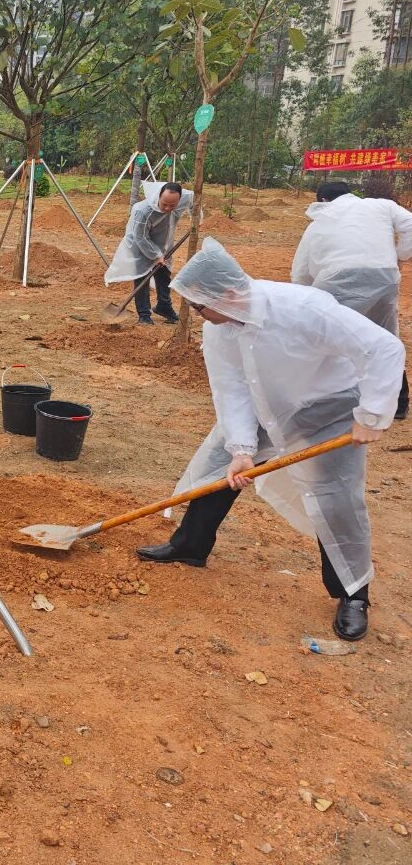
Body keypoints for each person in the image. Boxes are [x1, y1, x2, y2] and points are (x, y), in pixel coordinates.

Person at [136, 238, 404, 642]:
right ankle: (190, 546)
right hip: (267, 406)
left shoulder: (304, 308)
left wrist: (372, 414)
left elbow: (382, 348)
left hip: (327, 410)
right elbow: (231, 388)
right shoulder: (221, 325)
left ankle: (353, 595)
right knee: (216, 468)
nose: (198, 316)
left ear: (226, 294)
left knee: (336, 499)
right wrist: (242, 449)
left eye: (198, 306)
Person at [292, 181, 411, 420]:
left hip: (341, 277)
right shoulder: (381, 206)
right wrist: (401, 255)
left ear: (323, 200)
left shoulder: (318, 224)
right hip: (385, 275)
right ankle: (398, 403)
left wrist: (303, 303)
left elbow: (301, 272)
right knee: (386, 336)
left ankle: (317, 402)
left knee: (324, 336)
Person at [103, 181, 192, 325]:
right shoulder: (143, 211)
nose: (168, 208)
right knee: (142, 276)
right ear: (159, 197)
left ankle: (164, 306)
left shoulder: (185, 197)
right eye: (164, 204)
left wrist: (197, 218)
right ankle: (144, 314)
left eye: (173, 206)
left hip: (163, 243)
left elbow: (194, 199)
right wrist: (156, 255)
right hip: (140, 246)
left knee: (164, 275)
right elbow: (141, 237)